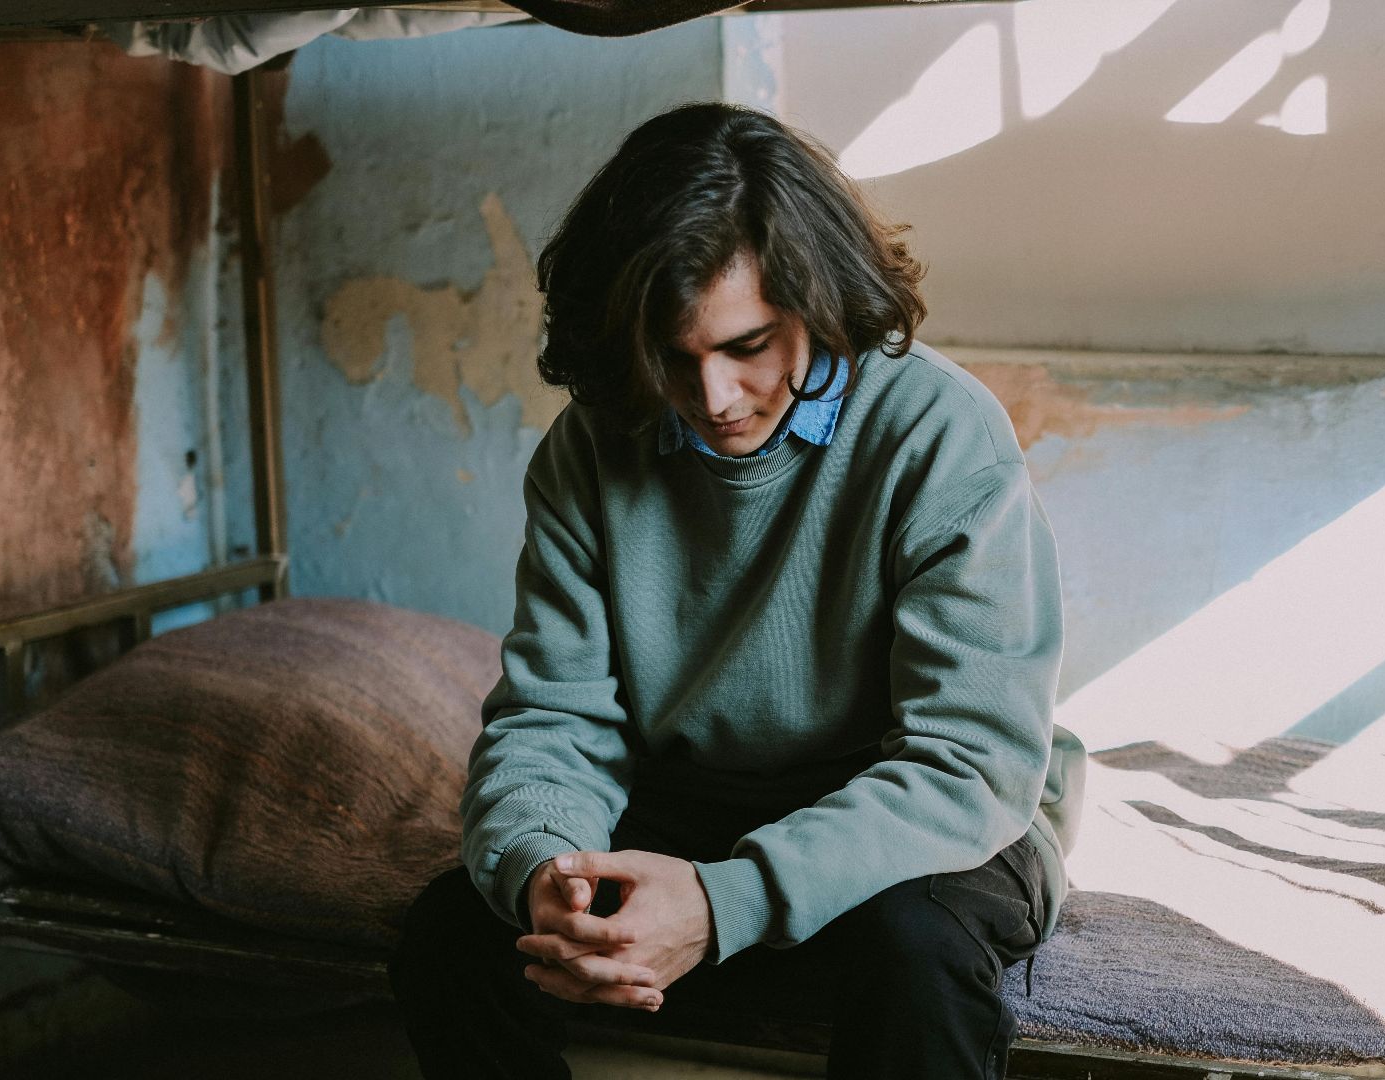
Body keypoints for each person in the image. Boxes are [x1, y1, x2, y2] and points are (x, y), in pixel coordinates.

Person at [391, 101, 1084, 1080]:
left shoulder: (940, 432)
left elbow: (968, 764)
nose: (714, 399)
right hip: (695, 800)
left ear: (819, 296)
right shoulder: (590, 450)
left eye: (748, 345)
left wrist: (725, 904)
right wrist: (544, 868)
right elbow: (555, 719)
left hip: (933, 815)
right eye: (674, 358)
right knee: (453, 935)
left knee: (916, 950)